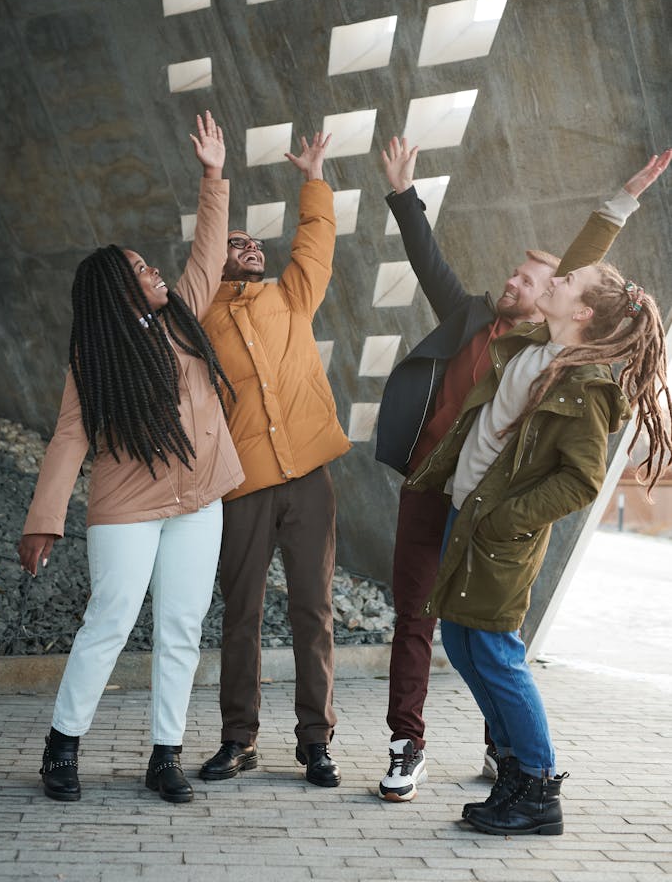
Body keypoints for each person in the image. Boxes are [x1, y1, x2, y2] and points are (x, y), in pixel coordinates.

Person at [375, 139, 672, 801]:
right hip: (462, 509)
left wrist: (503, 515)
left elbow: (580, 479)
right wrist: (621, 200)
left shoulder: (583, 380)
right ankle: (511, 767)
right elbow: (582, 264)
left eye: (558, 282)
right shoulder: (538, 341)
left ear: (578, 310)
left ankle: (534, 785)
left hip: (494, 527)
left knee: (497, 655)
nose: (549, 279)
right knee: (462, 643)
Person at [17, 111, 244, 804]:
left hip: (198, 502)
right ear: (117, 293)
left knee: (180, 626)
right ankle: (62, 746)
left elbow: (207, 256)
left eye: (149, 264)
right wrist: (43, 518)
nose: (155, 271)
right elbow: (68, 438)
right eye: (141, 269)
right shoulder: (96, 355)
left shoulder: (181, 315)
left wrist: (213, 177)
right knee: (111, 621)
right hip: (129, 505)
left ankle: (164, 754)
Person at [199, 131, 350, 788]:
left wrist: (313, 178)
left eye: (253, 241)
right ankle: (239, 738)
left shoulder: (289, 297)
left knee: (313, 611)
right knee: (242, 613)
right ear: (213, 259)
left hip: (310, 480)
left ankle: (315, 741)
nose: (249, 246)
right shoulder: (196, 318)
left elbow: (315, 241)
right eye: (234, 244)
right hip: (244, 489)